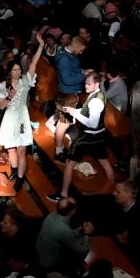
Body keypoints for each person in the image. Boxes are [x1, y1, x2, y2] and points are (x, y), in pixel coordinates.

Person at [46, 73, 114, 201]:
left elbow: (92, 123)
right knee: (105, 163)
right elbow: (89, 115)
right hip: (98, 136)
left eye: (89, 84)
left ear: (96, 84)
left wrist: (74, 113)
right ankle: (112, 188)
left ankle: (63, 194)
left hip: (87, 138)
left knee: (69, 163)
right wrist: (75, 111)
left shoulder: (96, 100)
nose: (86, 86)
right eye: (85, 83)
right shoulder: (97, 95)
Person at [0, 33, 44, 191]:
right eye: (14, 70)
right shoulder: (4, 85)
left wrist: (41, 46)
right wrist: (8, 97)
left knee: (22, 149)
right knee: (11, 148)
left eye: (18, 69)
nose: (16, 72)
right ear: (10, 71)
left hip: (22, 118)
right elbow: (1, 107)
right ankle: (15, 171)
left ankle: (21, 178)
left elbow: (34, 64)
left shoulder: (25, 81)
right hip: (10, 118)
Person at [53, 36, 89, 162]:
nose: (81, 52)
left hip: (68, 95)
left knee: (61, 124)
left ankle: (60, 148)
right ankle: (58, 152)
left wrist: (83, 71)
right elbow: (68, 80)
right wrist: (83, 75)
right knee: (63, 125)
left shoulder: (69, 56)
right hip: (68, 96)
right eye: (81, 50)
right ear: (76, 46)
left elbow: (74, 71)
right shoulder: (64, 59)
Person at [36, 197, 93, 276]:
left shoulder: (51, 215)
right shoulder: (64, 229)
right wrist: (87, 234)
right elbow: (83, 252)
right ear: (72, 211)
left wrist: (79, 230)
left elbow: (64, 234)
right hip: (49, 265)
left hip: (39, 255)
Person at [0, 209, 35, 278]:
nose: (1, 223)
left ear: (14, 226)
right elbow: (4, 254)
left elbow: (10, 272)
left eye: (5, 222)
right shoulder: (8, 236)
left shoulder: (20, 245)